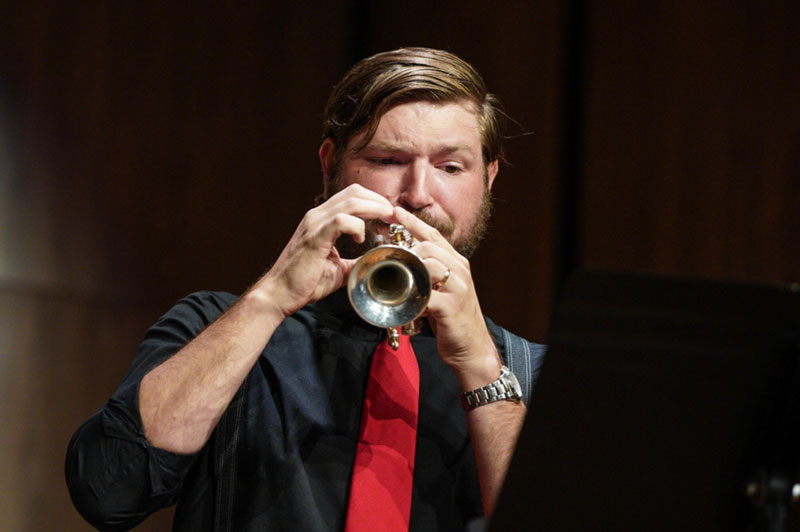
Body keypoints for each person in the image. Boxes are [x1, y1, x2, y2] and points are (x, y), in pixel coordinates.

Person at [66, 47, 545, 532]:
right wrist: (271, 297)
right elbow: (110, 491)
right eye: (387, 159)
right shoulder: (213, 326)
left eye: (451, 168)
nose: (418, 195)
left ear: (488, 179)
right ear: (330, 164)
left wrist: (483, 367)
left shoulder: (533, 373)